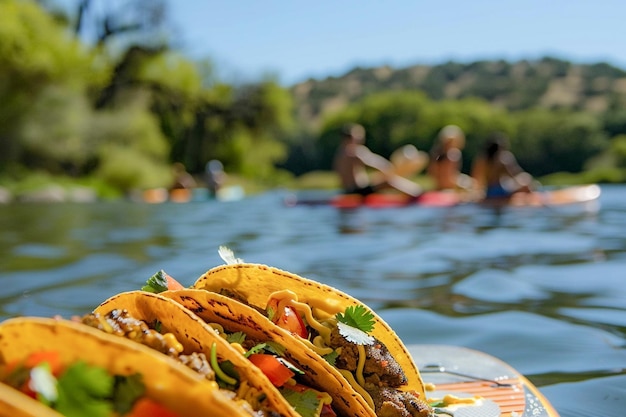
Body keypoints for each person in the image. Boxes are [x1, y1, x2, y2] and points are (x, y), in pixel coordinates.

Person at [333, 123, 422, 197]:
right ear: (353, 136)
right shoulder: (354, 151)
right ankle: (418, 194)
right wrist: (390, 168)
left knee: (380, 178)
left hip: (348, 191)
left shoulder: (340, 152)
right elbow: (379, 164)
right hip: (357, 192)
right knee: (388, 181)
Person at [471, 132, 534, 199]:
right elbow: (513, 176)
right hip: (499, 192)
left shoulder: (482, 159)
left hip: (489, 191)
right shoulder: (502, 160)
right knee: (526, 181)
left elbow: (476, 178)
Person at [427, 125, 474, 191]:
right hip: (446, 186)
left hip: (446, 185)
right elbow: (445, 178)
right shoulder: (450, 156)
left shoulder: (438, 154)